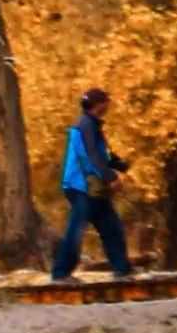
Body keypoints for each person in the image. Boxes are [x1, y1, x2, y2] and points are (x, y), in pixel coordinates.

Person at [51, 92, 133, 280]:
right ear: (98, 104)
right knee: (76, 230)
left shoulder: (92, 126)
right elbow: (91, 156)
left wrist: (121, 165)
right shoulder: (86, 126)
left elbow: (102, 155)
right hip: (82, 186)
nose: (108, 106)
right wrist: (111, 176)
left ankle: (122, 270)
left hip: (93, 188)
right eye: (106, 102)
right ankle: (61, 274)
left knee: (111, 228)